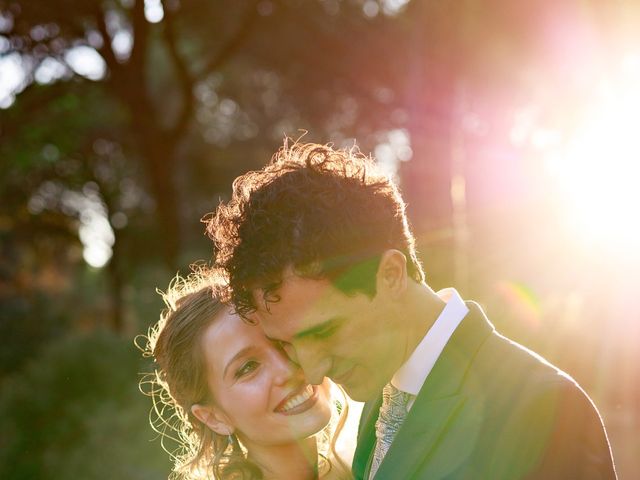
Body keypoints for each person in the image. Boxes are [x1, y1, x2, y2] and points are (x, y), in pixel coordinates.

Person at [207, 141, 617, 479]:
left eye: (323, 331)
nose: (312, 372)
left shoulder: (541, 406)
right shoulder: (375, 401)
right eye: (287, 343)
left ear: (389, 275)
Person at [138, 271, 351, 480]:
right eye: (248, 367)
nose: (287, 369)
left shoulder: (367, 459)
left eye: (281, 342)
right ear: (214, 417)